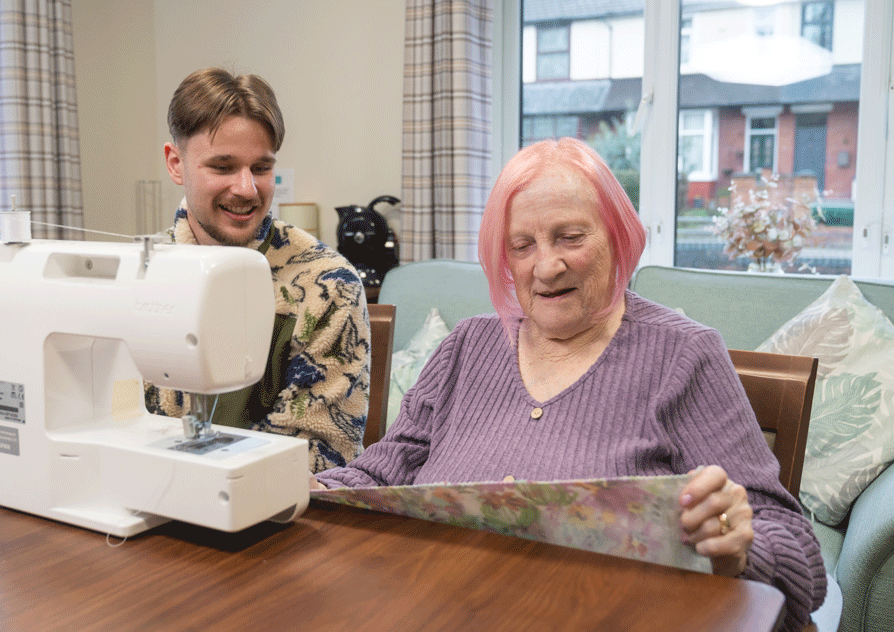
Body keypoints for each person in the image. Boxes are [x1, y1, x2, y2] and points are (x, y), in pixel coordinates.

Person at [313, 137, 826, 631]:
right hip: (437, 608)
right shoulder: (466, 347)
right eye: (523, 245)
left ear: (617, 236)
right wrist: (310, 488)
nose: (547, 266)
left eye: (570, 237)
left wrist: (741, 547)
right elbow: (379, 478)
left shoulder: (684, 356)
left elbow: (798, 552)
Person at [146, 67, 370, 473]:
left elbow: (319, 454)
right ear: (175, 163)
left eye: (262, 168)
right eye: (223, 167)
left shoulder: (327, 284)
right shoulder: (138, 275)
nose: (247, 189)